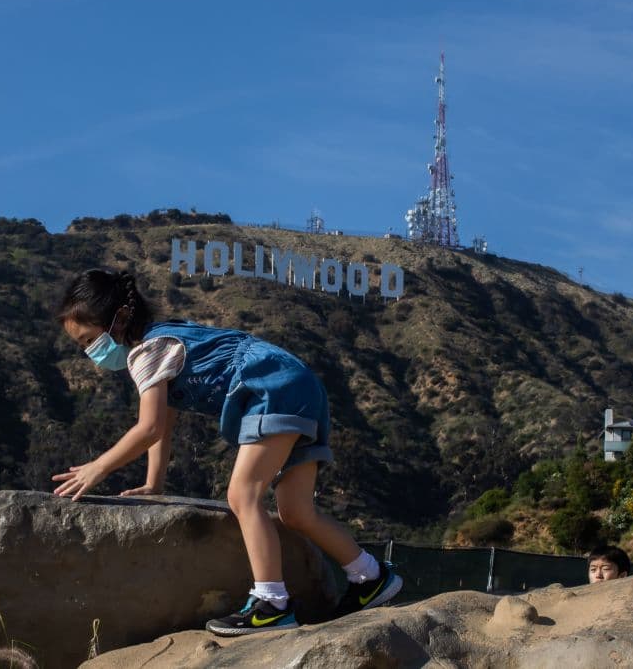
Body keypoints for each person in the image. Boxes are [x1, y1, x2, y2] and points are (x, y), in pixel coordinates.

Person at [52, 268, 402, 635]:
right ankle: (370, 576)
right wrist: (153, 483)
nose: (89, 352)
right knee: (297, 511)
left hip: (270, 388)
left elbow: (149, 428)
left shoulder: (147, 352)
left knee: (242, 495)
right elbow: (165, 424)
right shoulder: (165, 340)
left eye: (89, 339)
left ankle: (272, 602)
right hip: (298, 384)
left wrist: (98, 467)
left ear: (120, 318)